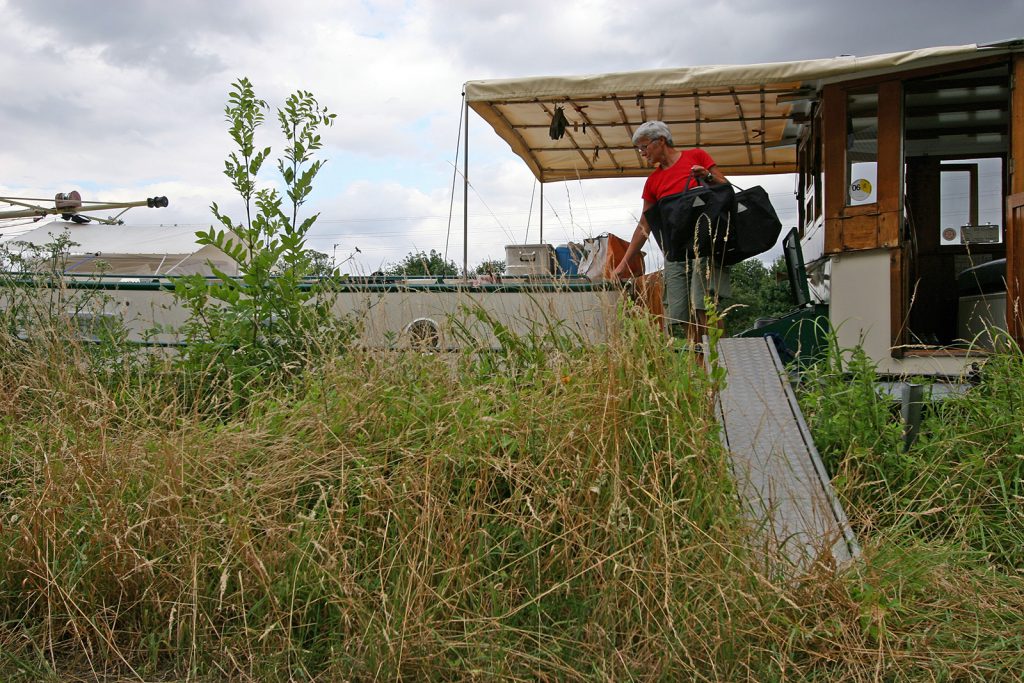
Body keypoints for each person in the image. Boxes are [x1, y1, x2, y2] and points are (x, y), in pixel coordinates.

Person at [612, 120, 731, 342]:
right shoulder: (653, 181)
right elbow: (644, 225)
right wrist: (623, 265)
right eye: (639, 148)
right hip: (675, 254)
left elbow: (725, 188)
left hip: (704, 247)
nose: (642, 153)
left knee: (704, 307)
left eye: (644, 147)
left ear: (661, 141)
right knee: (681, 314)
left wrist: (706, 176)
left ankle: (723, 361)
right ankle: (700, 367)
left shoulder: (696, 157)